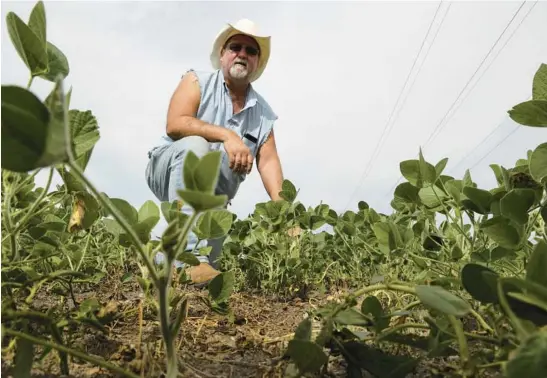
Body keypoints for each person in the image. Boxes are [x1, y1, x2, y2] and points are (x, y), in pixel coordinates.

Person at [145, 19, 284, 285]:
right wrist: (227, 135)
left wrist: (285, 213)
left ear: (257, 62)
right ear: (222, 54)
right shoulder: (196, 80)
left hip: (213, 198)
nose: (242, 54)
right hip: (168, 168)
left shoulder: (263, 114)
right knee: (196, 145)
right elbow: (175, 124)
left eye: (251, 51)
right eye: (235, 47)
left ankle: (164, 260)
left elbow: (268, 162)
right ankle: (188, 255)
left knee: (210, 271)